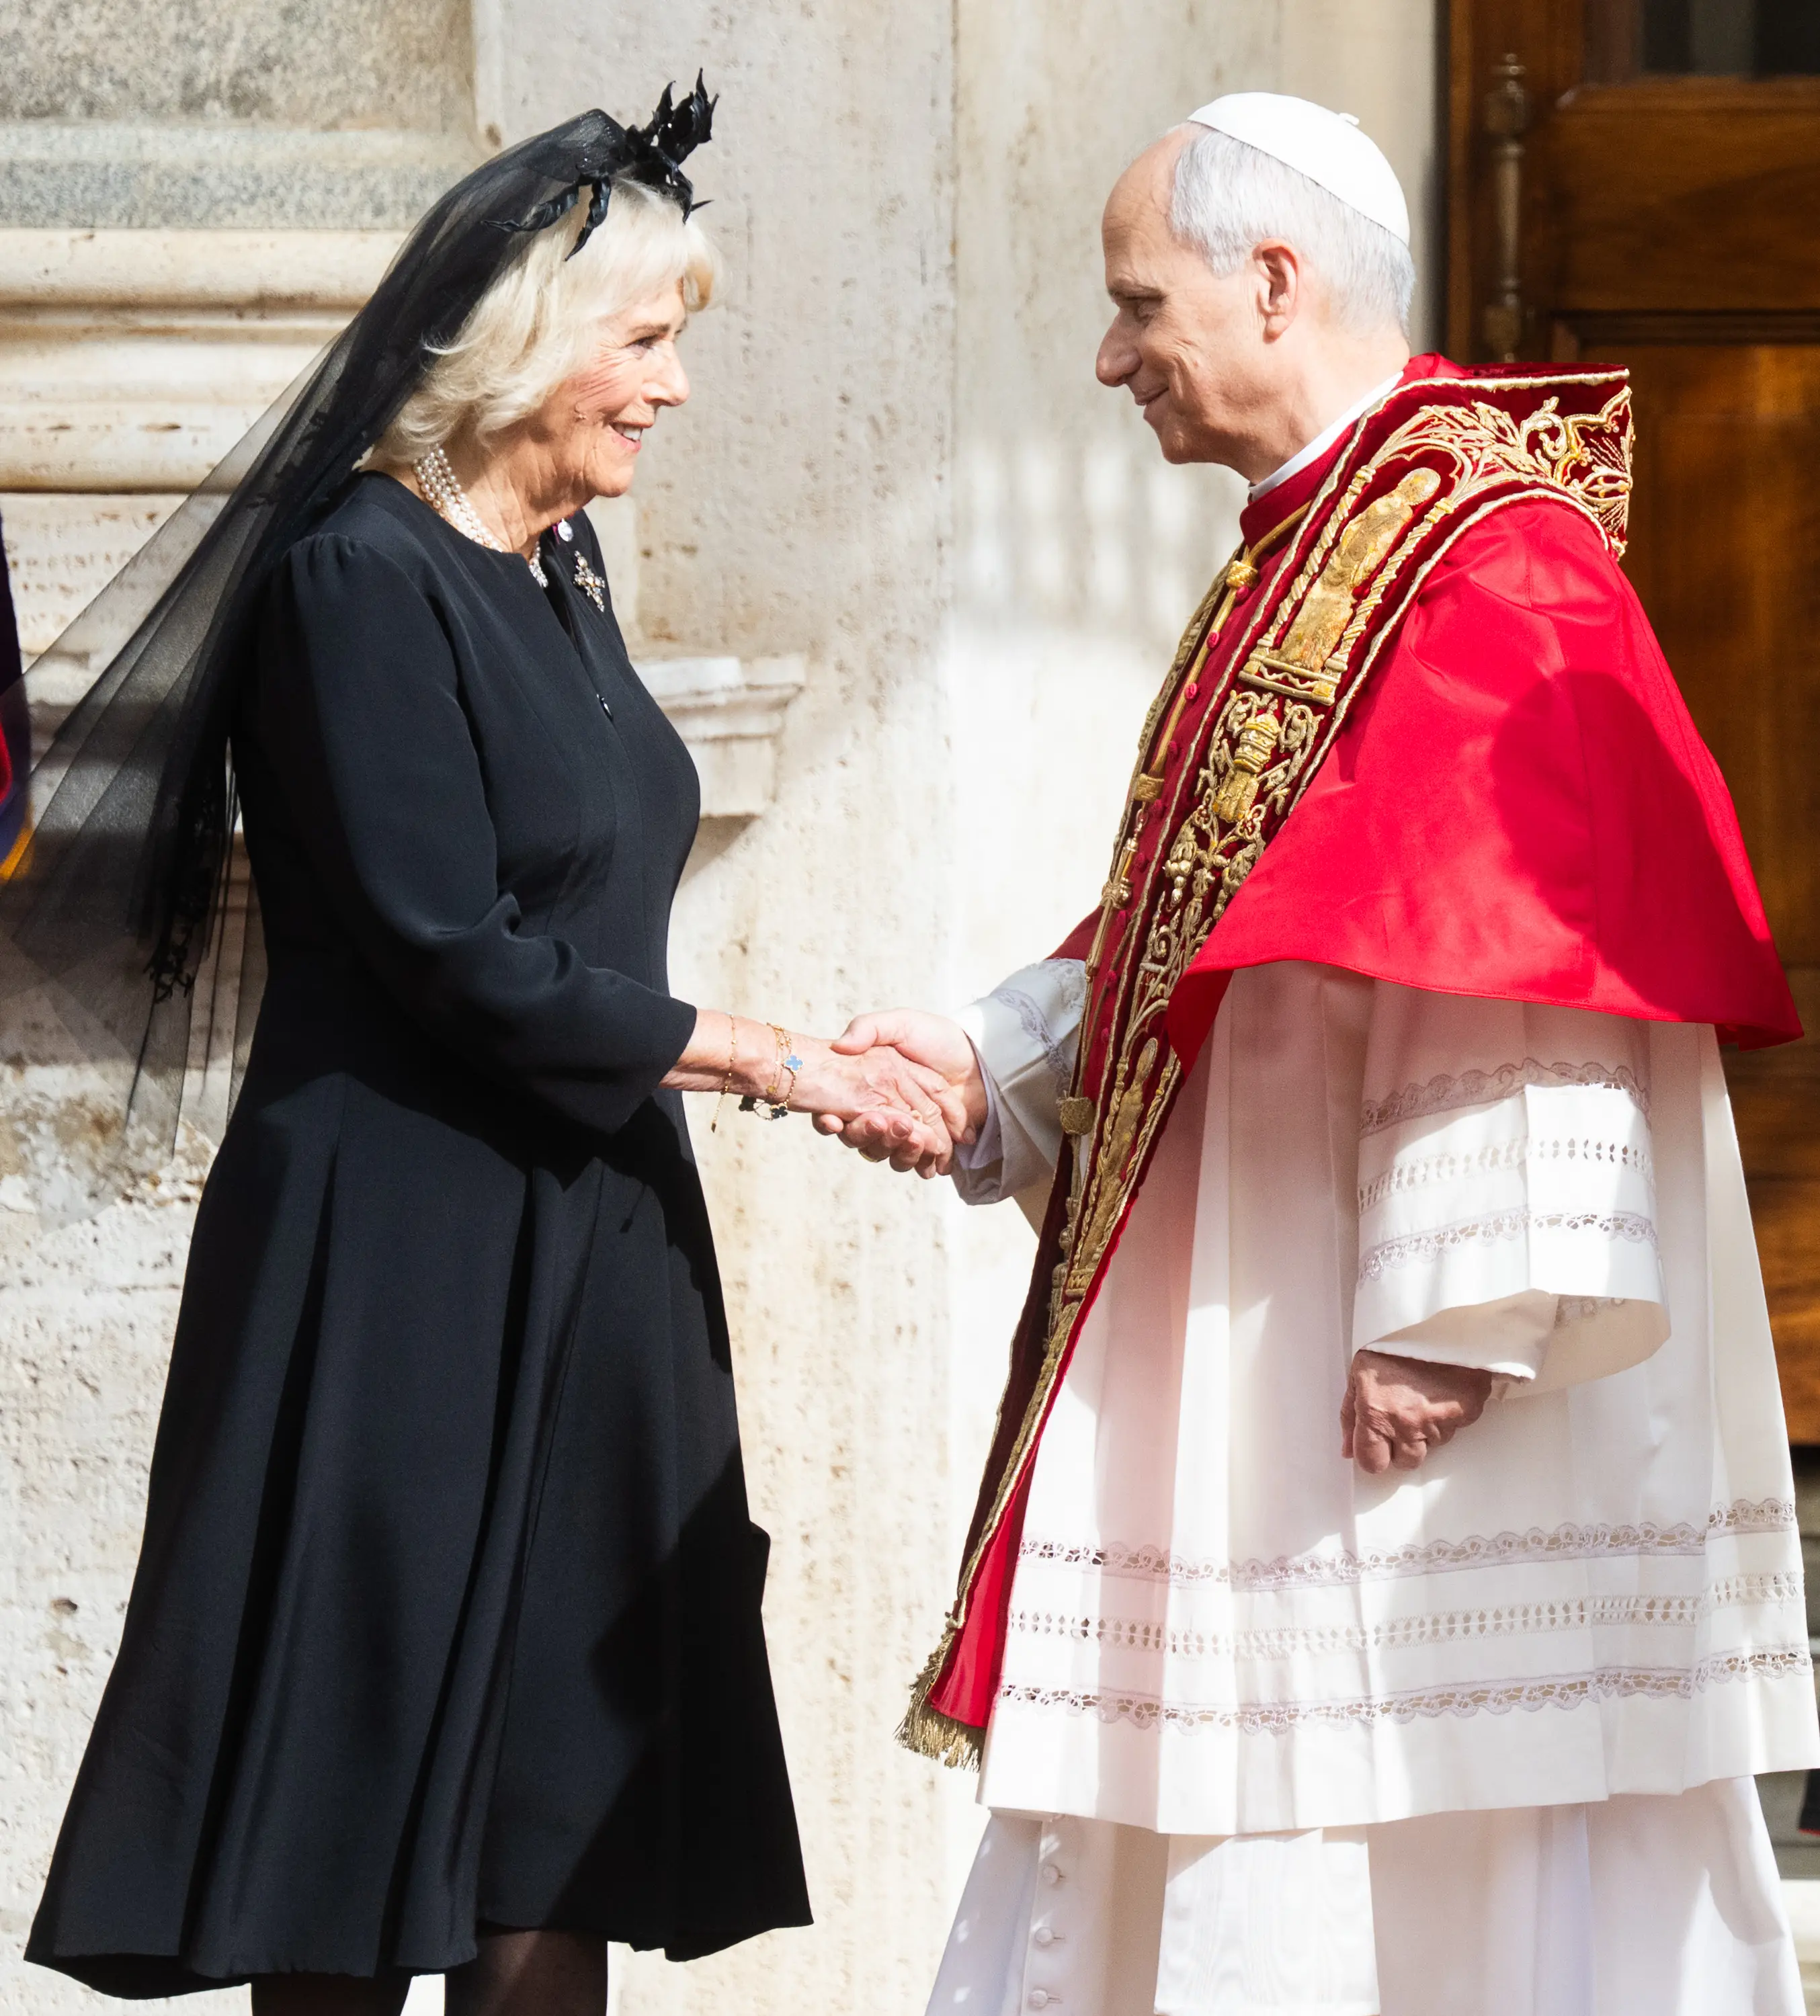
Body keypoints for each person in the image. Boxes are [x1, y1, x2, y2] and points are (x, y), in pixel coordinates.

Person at [825, 93, 1820, 2016]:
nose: (1110, 356)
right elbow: (1218, 911)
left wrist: (1461, 1303)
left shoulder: (1485, 553)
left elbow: (1536, 929)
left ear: (1272, 282)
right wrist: (988, 1060)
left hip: (1379, 1351)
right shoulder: (1328, 534)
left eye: (1139, 303)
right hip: (1274, 1301)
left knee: (1386, 1813)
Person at [19, 93, 961, 2013]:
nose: (674, 389)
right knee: (358, 1798)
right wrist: (775, 1057)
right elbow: (456, 951)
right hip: (400, 1256)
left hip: (596, 1240)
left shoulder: (561, 568)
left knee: (560, 1803)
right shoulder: (355, 578)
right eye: (644, 341)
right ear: (522, 343)